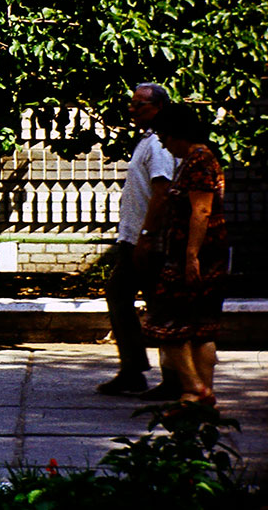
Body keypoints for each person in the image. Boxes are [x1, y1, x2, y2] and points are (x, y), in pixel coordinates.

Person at [139, 103, 229, 408]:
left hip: (193, 258)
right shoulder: (197, 158)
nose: (162, 142)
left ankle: (195, 388)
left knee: (168, 327)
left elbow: (201, 210)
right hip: (203, 256)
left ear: (178, 133)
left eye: (164, 135)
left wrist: (191, 257)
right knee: (200, 329)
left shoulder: (198, 160)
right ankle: (198, 396)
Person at [97, 83, 178, 397]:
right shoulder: (147, 139)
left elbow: (162, 191)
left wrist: (147, 235)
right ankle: (132, 369)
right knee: (119, 296)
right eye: (132, 104)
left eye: (139, 105)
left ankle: (173, 378)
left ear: (158, 107)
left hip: (149, 240)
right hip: (134, 238)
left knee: (159, 307)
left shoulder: (159, 143)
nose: (131, 109)